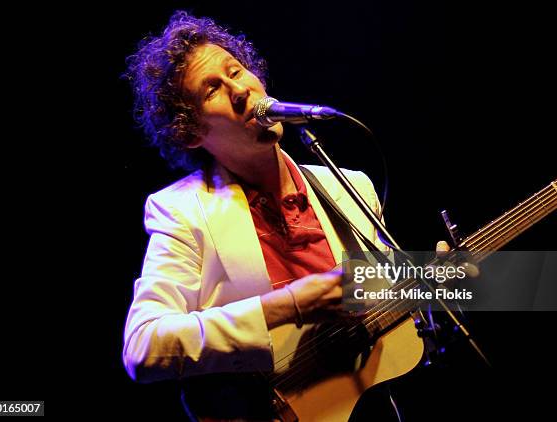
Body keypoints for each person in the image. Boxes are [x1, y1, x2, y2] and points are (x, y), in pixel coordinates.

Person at [122, 10, 451, 421]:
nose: (239, 90)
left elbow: (384, 309)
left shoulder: (349, 188)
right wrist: (290, 303)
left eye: (237, 71)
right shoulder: (182, 211)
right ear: (190, 133)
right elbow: (143, 346)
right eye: (212, 90)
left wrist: (439, 286)